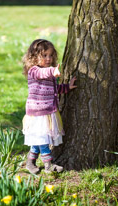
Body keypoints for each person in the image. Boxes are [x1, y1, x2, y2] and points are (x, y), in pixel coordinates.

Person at [22, 39, 77, 174]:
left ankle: (30, 162)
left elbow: (54, 88)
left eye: (51, 55)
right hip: (37, 112)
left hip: (47, 111)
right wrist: (52, 71)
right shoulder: (34, 71)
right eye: (44, 55)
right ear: (34, 57)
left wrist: (67, 87)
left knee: (38, 138)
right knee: (42, 138)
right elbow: (42, 73)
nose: (48, 58)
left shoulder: (49, 73)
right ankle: (48, 165)